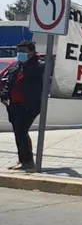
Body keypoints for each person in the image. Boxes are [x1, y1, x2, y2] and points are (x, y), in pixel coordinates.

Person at [1, 41, 44, 171]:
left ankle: (28, 161)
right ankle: (22, 159)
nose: (20, 54)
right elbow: (9, 83)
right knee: (17, 132)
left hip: (29, 106)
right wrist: (4, 96)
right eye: (19, 51)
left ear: (31, 52)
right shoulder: (17, 66)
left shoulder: (38, 66)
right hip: (14, 105)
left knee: (21, 131)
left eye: (24, 51)